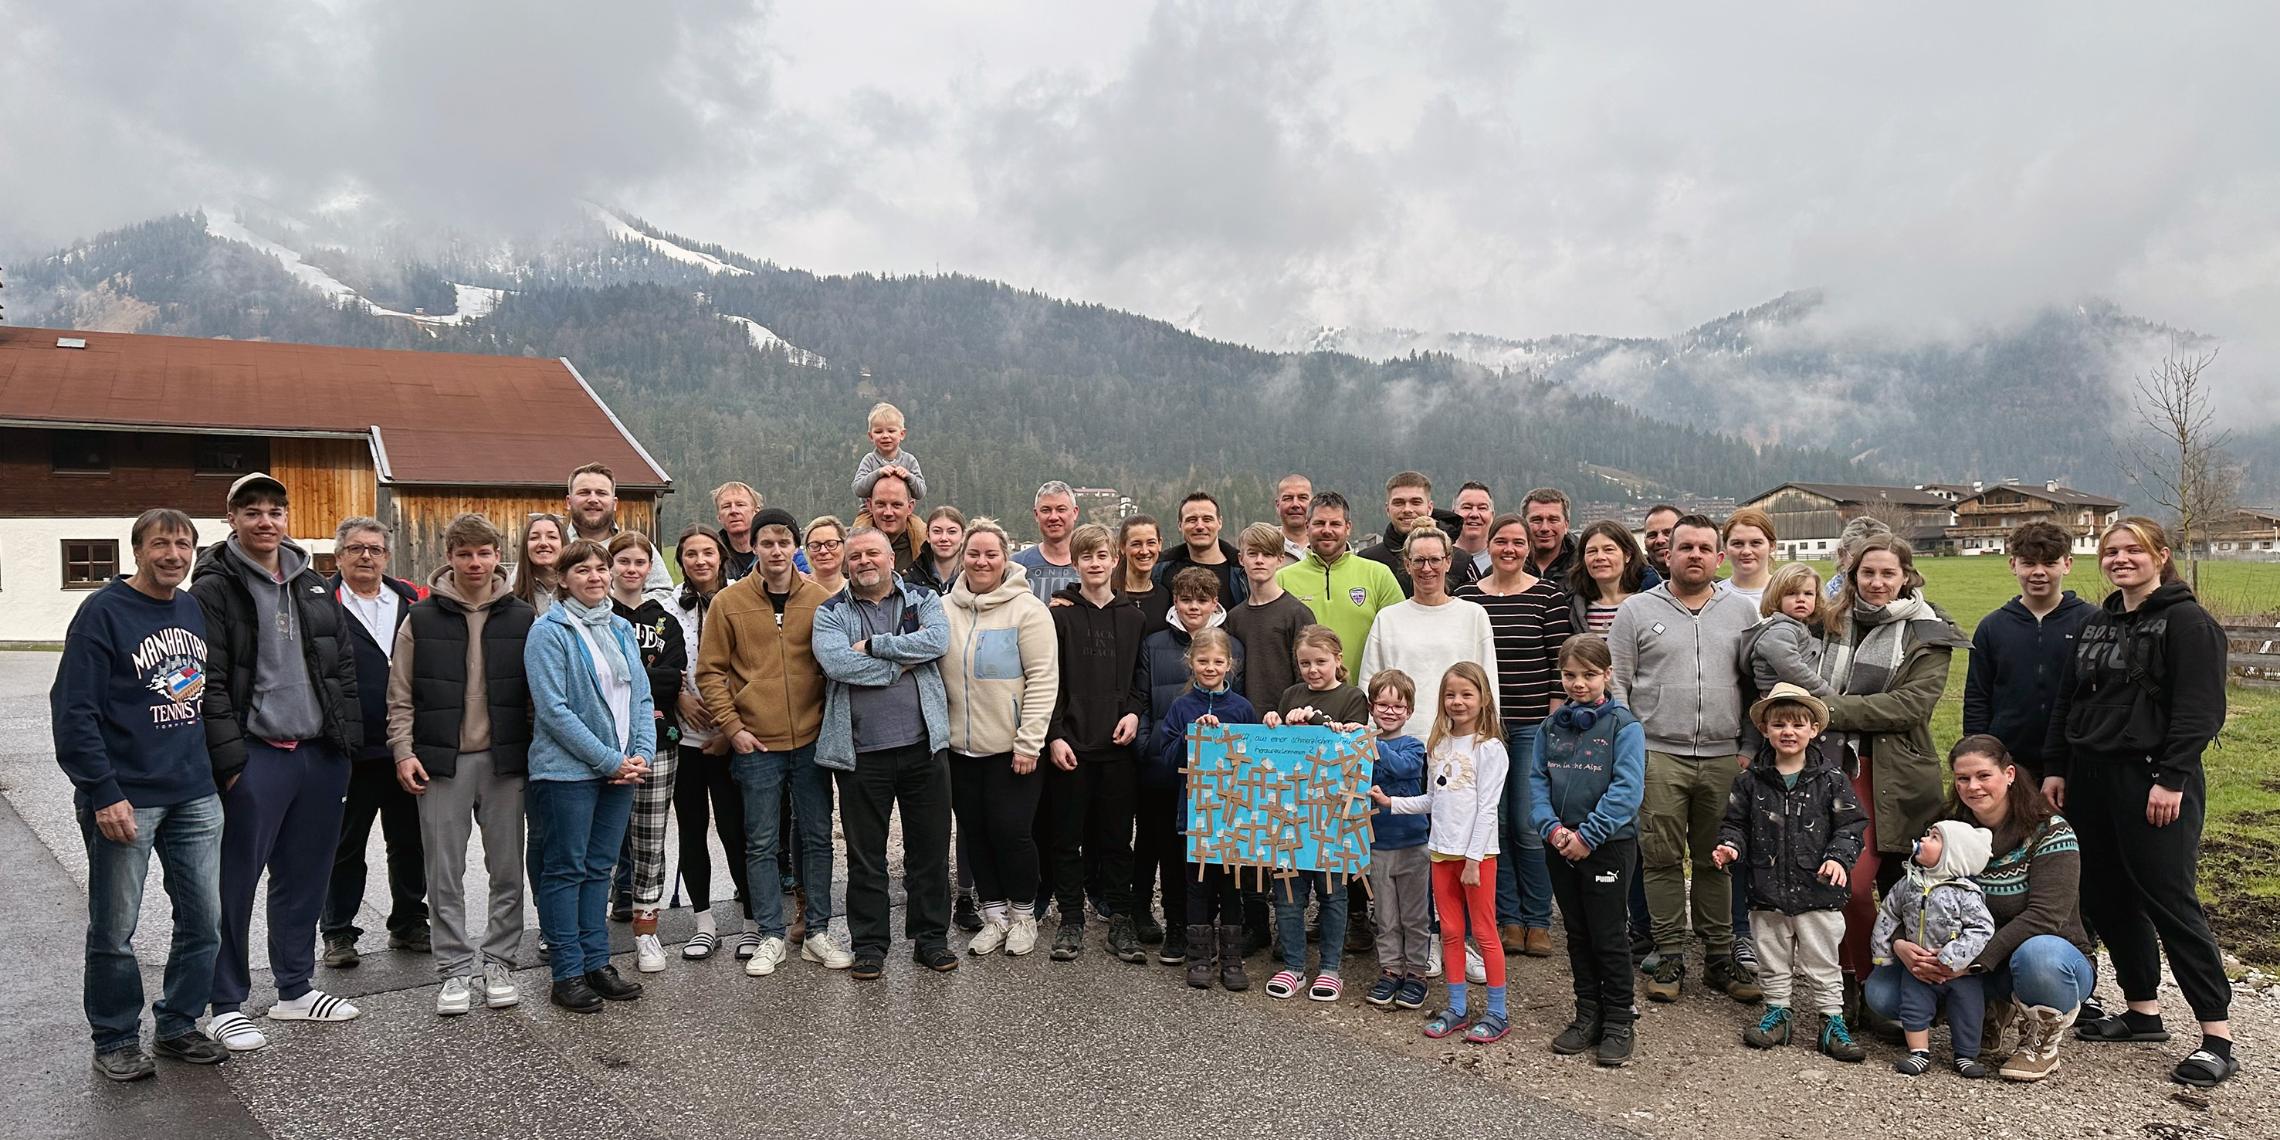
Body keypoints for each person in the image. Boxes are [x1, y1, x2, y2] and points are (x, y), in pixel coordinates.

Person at [2042, 518, 2235, 1088]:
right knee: (2105, 896)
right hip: (2090, 778)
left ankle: (2217, 1036)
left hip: (2155, 780)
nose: (2121, 559)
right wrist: (2056, 767)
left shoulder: (2188, 622)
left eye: (2133, 551)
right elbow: (2066, 700)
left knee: (2170, 900)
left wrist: (2172, 778)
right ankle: (2143, 1011)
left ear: (2161, 556)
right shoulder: (2098, 623)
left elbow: (2201, 710)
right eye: (2111, 551)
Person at [54, 508, 229, 1080]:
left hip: (194, 794)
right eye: (161, 544)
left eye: (183, 545)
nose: (173, 555)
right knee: (115, 929)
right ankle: (115, 1038)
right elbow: (74, 711)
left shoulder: (190, 607)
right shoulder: (102, 613)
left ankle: (178, 1025)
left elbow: (198, 696)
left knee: (204, 921)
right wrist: (103, 792)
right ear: (137, 550)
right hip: (127, 797)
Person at [192, 472, 363, 1052]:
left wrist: (345, 747)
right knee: (234, 881)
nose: (265, 521)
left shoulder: (313, 584)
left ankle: (294, 988)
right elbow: (208, 680)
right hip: (256, 755)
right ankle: (225, 1002)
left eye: (274, 511)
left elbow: (341, 670)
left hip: (317, 754)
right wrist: (229, 761)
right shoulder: (214, 587)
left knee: (305, 876)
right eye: (252, 511)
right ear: (232, 519)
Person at [1865, 735, 2094, 1082]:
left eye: (1984, 776)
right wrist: (1900, 944)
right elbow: (1909, 894)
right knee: (1882, 993)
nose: (1973, 787)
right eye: (1962, 778)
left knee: (2041, 957)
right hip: (1962, 961)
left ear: (2010, 774)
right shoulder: (1946, 832)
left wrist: (1967, 963)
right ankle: (1986, 1009)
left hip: (2043, 955)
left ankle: (2041, 1043)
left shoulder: (2049, 832)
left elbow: (2045, 916)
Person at [385, 513, 536, 1016]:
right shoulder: (421, 618)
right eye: (464, 553)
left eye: (484, 553)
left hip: (504, 763)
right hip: (440, 764)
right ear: (448, 557)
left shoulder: (522, 617)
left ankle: (499, 961)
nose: (475, 563)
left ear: (498, 557)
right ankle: (452, 969)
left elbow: (538, 694)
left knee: (507, 870)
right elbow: (400, 695)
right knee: (443, 873)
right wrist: (403, 751)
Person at [1608, 512, 1760, 1005]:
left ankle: (1719, 956)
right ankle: (1670, 953)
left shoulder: (1741, 613)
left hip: (1723, 758)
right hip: (1658, 754)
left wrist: (1747, 750)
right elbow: (1618, 685)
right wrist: (1633, 749)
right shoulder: (1635, 611)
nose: (1694, 555)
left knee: (1718, 860)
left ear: (1719, 558)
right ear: (1666, 554)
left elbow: (1756, 685)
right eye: (1684, 547)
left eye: (1703, 548)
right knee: (1661, 859)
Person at [1817, 533, 1969, 1023]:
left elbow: (1909, 706)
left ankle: (1918, 991)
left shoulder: (1928, 631)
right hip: (1837, 772)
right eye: (1868, 573)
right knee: (1849, 885)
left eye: (1888, 573)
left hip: (1899, 777)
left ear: (1906, 576)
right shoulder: (1826, 622)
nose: (1878, 583)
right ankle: (1855, 980)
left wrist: (1823, 710)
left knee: (1913, 892)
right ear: (1853, 575)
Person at [694, 508, 848, 975]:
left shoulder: (821, 600)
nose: (776, 550)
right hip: (756, 744)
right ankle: (770, 935)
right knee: (760, 842)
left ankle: (817, 930)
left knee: (818, 838)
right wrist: (733, 727)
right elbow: (710, 671)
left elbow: (834, 666)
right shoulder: (728, 602)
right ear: (754, 548)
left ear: (795, 547)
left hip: (812, 742)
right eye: (767, 542)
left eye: (784, 541)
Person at [811, 527, 959, 980]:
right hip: (861, 754)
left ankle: (931, 939)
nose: (863, 561)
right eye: (854, 556)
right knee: (866, 856)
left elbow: (937, 643)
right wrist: (903, 665)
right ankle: (871, 944)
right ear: (845, 563)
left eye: (872, 552)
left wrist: (877, 647)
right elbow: (837, 663)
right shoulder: (830, 612)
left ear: (890, 558)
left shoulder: (922, 599)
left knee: (929, 850)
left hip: (924, 747)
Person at [525, 538, 654, 1013]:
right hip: (568, 774)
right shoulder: (550, 630)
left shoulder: (620, 628)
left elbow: (640, 698)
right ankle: (567, 972)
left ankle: (598, 964)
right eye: (583, 570)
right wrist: (607, 759)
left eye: (601, 568)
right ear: (563, 579)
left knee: (600, 869)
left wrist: (640, 753)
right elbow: (554, 710)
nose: (595, 577)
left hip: (621, 770)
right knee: (566, 869)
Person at [1711, 683, 1868, 1062]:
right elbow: (1735, 824)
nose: (1788, 732)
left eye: (1798, 724)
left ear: (1814, 729)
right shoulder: (1750, 783)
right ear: (1765, 729)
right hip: (1766, 888)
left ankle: (1831, 1021)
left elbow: (1851, 826)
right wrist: (1731, 846)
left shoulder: (1832, 779)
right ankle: (1777, 1012)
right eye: (1779, 724)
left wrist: (1837, 858)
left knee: (1822, 960)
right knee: (1771, 956)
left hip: (1818, 890)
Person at [941, 520, 1060, 957]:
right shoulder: (943, 610)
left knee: (1012, 833)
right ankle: (994, 917)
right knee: (976, 832)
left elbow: (1043, 680)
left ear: (1005, 557)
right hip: (959, 750)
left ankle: (1024, 915)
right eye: (974, 553)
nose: (981, 561)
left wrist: (1029, 742)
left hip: (1013, 751)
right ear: (962, 557)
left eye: (991, 554)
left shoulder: (1028, 611)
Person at [1373, 661, 1509, 1044]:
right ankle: (1457, 1007)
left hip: (1476, 858)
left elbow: (1487, 808)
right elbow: (1434, 799)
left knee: (1482, 932)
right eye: (1451, 694)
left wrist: (1472, 859)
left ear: (1483, 699)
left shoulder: (1490, 748)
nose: (1457, 701)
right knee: (1449, 930)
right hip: (1439, 853)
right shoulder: (1439, 745)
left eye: (1467, 694)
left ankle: (1498, 1012)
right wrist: (1391, 803)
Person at [1456, 514, 1572, 959]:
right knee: (1493, 826)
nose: (1508, 548)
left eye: (1517, 542)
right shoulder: (1468, 597)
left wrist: (1551, 725)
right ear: (1489, 544)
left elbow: (1557, 665)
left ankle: (1537, 920)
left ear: (1527, 548)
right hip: (1483, 729)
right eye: (1500, 541)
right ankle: (1507, 918)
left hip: (1529, 727)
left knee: (1526, 824)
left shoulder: (1548, 595)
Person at [1529, 634, 1646, 1068]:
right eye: (1570, 675)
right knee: (1576, 932)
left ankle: (1619, 1018)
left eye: (1589, 675)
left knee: (1608, 933)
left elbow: (1626, 791)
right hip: (1560, 845)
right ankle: (1587, 1014)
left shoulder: (1624, 726)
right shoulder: (1550, 726)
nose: (1579, 684)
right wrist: (1553, 830)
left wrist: (1587, 836)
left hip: (1607, 847)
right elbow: (1537, 780)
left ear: (1608, 674)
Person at [321, 516, 428, 969]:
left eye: (375, 550)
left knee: (409, 841)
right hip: (350, 747)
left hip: (404, 746)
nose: (366, 557)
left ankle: (408, 921)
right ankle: (338, 931)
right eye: (356, 549)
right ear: (339, 555)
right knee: (346, 844)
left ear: (387, 556)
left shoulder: (409, 602)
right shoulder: (322, 604)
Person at [1042, 524, 1147, 964]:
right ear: (1076, 563)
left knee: (1116, 839)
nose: (1095, 564)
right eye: (1086, 557)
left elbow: (1141, 679)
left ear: (1114, 559)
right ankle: (1070, 919)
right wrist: (1054, 736)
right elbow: (1047, 682)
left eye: (1102, 555)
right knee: (1066, 838)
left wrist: (1134, 713)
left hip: (1117, 747)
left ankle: (1120, 919)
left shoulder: (1134, 617)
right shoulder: (1059, 616)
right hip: (1072, 746)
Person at [1133, 567, 1246, 966]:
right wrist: (1150, 747)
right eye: (1185, 599)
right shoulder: (1154, 644)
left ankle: (1224, 936)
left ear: (1215, 603)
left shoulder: (1232, 646)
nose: (1193, 606)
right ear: (1175, 602)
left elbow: (1241, 714)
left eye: (1202, 599)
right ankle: (1180, 927)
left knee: (1217, 859)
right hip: (1169, 761)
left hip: (1220, 783)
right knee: (1172, 851)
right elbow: (1143, 699)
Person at [667, 525, 751, 960]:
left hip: (730, 733)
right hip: (686, 736)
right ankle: (703, 921)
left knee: (738, 829)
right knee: (692, 827)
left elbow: (752, 665)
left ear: (721, 557)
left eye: (707, 553)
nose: (700, 561)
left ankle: (753, 920)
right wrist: (679, 695)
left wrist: (727, 726)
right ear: (680, 561)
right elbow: (661, 662)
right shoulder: (667, 607)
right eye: (691, 555)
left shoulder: (741, 597)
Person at [603, 531, 685, 972]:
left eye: (639, 562)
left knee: (649, 841)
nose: (631, 570)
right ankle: (587, 932)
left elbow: (672, 679)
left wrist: (628, 682)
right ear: (610, 566)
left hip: (658, 743)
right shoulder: (596, 617)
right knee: (600, 842)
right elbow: (597, 679)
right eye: (624, 561)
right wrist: (638, 684)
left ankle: (647, 932)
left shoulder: (664, 621)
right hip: (603, 746)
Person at [1161, 627, 1258, 992]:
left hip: (1233, 817)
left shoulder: (1242, 707)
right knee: (1198, 886)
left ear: (1230, 664)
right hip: (1195, 816)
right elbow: (1165, 759)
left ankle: (1232, 959)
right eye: (1203, 661)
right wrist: (1191, 737)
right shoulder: (1181, 707)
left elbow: (1254, 759)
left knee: (1232, 886)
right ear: (1191, 662)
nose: (1210, 667)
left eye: (1218, 661)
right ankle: (1199, 957)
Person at [1963, 522, 2094, 784]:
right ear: (2013, 565)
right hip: (2011, 761)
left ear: (2067, 564)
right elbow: (1978, 697)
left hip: (2077, 758)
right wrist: (1979, 755)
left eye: (2049, 563)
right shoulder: (1993, 627)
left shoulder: (2091, 622)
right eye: (2029, 563)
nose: (2038, 572)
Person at [1871, 820, 1997, 1078]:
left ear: (1953, 855)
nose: (1923, 839)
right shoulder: (1909, 883)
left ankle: (1965, 1054)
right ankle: (1919, 1052)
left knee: (1968, 1008)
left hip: (1959, 970)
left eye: (1934, 837)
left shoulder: (1966, 893)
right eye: (1926, 833)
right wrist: (1884, 952)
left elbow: (1982, 928)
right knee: (1913, 1005)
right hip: (1918, 965)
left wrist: (1953, 957)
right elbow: (1888, 912)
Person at [1359, 670, 1431, 1013]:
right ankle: (1390, 969)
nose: (1389, 711)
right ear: (1372, 707)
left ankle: (1417, 973)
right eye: (1382, 704)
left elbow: (1405, 770)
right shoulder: (1362, 745)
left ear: (1409, 711)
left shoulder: (1414, 745)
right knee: (1385, 914)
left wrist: (1372, 746)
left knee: (1415, 916)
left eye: (1398, 706)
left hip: (1413, 843)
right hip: (1377, 844)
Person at [1277, 492, 1404, 679]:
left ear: (1348, 528)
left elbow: (1398, 638)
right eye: (1319, 523)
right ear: (1307, 526)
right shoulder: (1283, 579)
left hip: (1364, 698)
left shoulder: (1378, 575)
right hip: (1304, 699)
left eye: (1335, 524)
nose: (1327, 530)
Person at [1735, 562, 1835, 756]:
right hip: (1779, 701)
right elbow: (1791, 668)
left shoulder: (1797, 627)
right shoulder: (1781, 629)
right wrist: (1827, 691)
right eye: (1791, 594)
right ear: (1776, 597)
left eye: (1808, 594)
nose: (1801, 599)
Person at [1223, 523, 1314, 720]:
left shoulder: (1298, 613)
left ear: (1280, 559)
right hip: (1243, 722)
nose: (1259, 561)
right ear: (1241, 559)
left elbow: (1307, 675)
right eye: (1253, 554)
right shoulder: (1234, 618)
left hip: (1288, 722)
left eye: (1268, 554)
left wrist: (1294, 713)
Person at [564, 462, 671, 601]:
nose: (593, 499)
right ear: (568, 501)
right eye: (584, 492)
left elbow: (664, 592)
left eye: (601, 493)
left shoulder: (638, 547)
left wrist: (625, 606)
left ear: (614, 503)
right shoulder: (557, 547)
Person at [1358, 471, 1463, 597]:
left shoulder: (1461, 561)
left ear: (1430, 508)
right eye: (1398, 503)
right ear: (1387, 509)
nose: (1407, 509)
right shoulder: (1368, 560)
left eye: (1416, 502)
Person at [1265, 625, 1370, 729]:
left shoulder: (1353, 697)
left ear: (1338, 660)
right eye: (1305, 663)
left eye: (1321, 662)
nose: (1312, 670)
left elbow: (1355, 741)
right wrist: (1275, 724)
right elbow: (1281, 738)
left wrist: (1312, 717)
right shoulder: (1290, 694)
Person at [1155, 491, 1245, 608]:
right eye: (1192, 520)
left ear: (1220, 522)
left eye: (1207, 519)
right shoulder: (1160, 568)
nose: (1200, 526)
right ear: (1179, 525)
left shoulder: (1243, 570)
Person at [1565, 521, 1648, 635]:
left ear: (1627, 555)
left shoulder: (1648, 602)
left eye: (1608, 550)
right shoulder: (1572, 608)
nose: (1600, 557)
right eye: (1592, 551)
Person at [1012, 480, 1081, 601]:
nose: (1053, 517)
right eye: (1046, 510)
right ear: (1036, 515)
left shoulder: (1095, 566)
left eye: (1061, 509)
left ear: (1075, 513)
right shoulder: (1016, 565)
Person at [852, 400, 928, 501]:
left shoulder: (909, 460)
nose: (885, 436)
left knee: (917, 518)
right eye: (879, 432)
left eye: (891, 431)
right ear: (871, 436)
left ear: (902, 434)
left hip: (902, 512)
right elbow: (858, 489)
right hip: (869, 512)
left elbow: (921, 493)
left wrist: (908, 476)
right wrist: (878, 473)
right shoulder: (869, 460)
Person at [859, 473, 927, 572]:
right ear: (869, 506)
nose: (888, 512)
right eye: (881, 504)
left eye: (896, 505)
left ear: (910, 507)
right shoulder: (847, 552)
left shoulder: (929, 550)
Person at [1117, 514, 1170, 630]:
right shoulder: (1108, 593)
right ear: (1122, 547)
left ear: (1160, 544)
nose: (1144, 551)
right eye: (1136, 544)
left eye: (1151, 543)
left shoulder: (1165, 596)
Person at [1826, 515, 1894, 600]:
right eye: (1858, 557)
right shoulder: (1817, 605)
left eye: (1878, 558)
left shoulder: (1910, 604)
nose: (1867, 564)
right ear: (1842, 555)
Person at [512, 513, 566, 616]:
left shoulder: (579, 594)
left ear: (563, 543)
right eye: (534, 537)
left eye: (552, 537)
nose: (543, 543)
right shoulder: (511, 599)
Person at [1720, 508, 1777, 604]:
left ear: (1772, 546)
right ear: (1725, 548)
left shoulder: (1791, 596)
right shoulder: (1713, 596)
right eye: (1737, 543)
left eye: (1756, 543)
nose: (1746, 551)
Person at [1520, 488, 1577, 582]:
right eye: (1536, 520)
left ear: (1566, 525)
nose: (1544, 528)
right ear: (1523, 524)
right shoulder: (1504, 567)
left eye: (1553, 520)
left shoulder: (1584, 566)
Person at [908, 505, 965, 596]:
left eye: (952, 532)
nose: (944, 538)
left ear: (963, 536)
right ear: (927, 535)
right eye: (937, 531)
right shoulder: (912, 579)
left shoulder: (973, 579)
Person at [712, 481, 764, 582]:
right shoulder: (712, 554)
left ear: (756, 511)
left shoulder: (777, 548)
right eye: (726, 506)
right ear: (719, 516)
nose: (733, 511)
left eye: (740, 505)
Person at [1450, 482, 1496, 586]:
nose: (1474, 514)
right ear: (1453, 514)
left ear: (1492, 515)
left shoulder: (1503, 559)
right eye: (1467, 507)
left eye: (1482, 508)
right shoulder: (1439, 558)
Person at [803, 515, 848, 597]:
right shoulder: (796, 590)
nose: (823, 551)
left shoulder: (857, 592)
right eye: (815, 545)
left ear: (845, 546)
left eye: (831, 544)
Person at [1275, 473, 1314, 564]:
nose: (1295, 504)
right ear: (1277, 505)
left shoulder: (1328, 547)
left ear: (1313, 504)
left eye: (1302, 498)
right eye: (1288, 498)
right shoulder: (1264, 547)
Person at [1640, 505, 1681, 582]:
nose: (1660, 540)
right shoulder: (1628, 583)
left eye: (1668, 533)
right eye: (1652, 535)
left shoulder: (1706, 580)